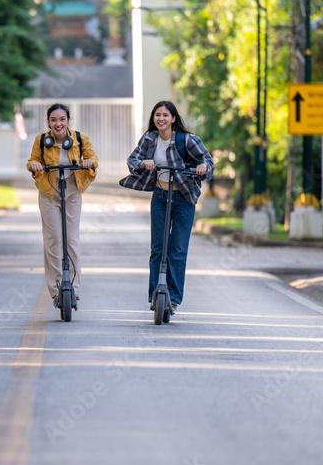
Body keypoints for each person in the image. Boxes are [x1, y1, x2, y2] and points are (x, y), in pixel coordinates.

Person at [119, 100, 213, 314]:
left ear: (173, 118)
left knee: (177, 250)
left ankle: (174, 299)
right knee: (158, 248)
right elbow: (133, 159)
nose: (160, 119)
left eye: (165, 115)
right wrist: (143, 163)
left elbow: (208, 162)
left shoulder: (187, 140)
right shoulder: (149, 139)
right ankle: (155, 294)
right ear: (154, 118)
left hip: (184, 199)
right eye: (157, 115)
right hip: (161, 196)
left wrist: (202, 167)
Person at [26, 103, 98, 303]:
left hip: (73, 189)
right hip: (49, 190)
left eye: (62, 119)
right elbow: (32, 161)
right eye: (53, 120)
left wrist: (88, 163)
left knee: (71, 238)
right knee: (54, 238)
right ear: (48, 122)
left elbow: (93, 158)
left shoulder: (80, 139)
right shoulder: (41, 140)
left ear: (68, 120)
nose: (58, 123)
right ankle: (57, 288)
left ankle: (74, 288)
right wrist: (34, 165)